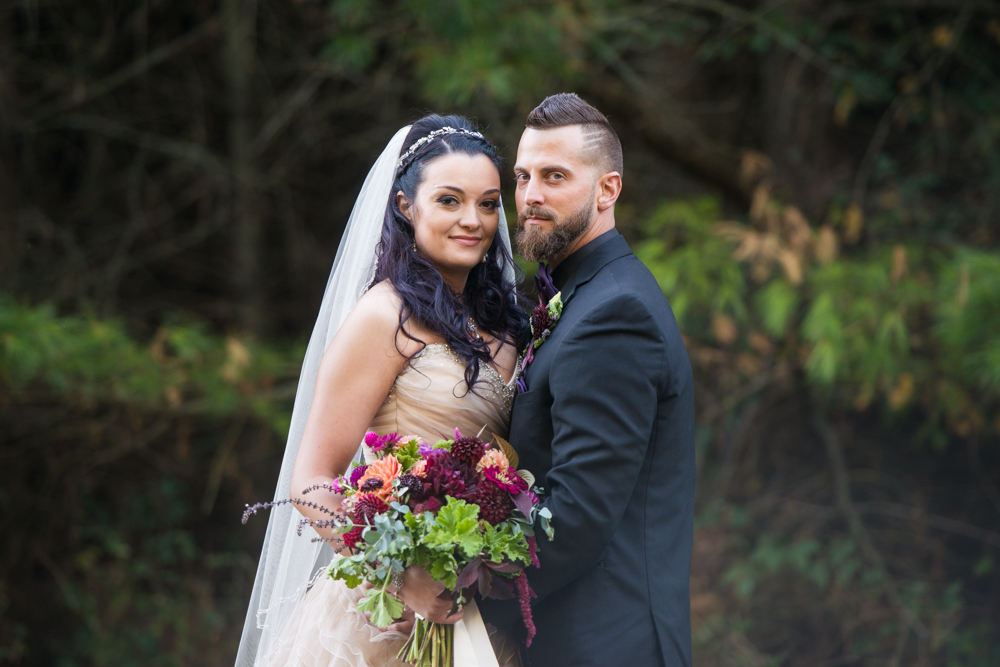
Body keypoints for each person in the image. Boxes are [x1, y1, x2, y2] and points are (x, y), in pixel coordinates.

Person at [235, 115, 529, 667]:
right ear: (404, 206)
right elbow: (312, 479)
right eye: (449, 200)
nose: (473, 220)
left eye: (489, 204)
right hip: (384, 624)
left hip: (479, 608)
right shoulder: (384, 318)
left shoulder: (509, 325)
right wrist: (401, 574)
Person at [477, 93, 696, 667]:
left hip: (604, 644)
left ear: (608, 190)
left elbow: (574, 517)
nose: (530, 196)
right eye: (522, 177)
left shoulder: (614, 313)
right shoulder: (578, 297)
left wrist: (464, 588)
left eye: (555, 176)